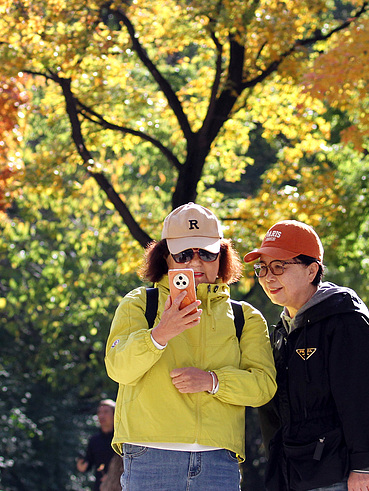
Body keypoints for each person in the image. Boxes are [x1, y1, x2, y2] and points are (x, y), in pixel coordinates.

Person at [105, 202, 277, 491]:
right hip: (150, 456)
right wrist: (159, 334)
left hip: (218, 461)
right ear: (165, 256)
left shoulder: (245, 317)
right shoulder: (138, 304)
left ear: (222, 256)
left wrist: (213, 381)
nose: (196, 263)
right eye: (184, 253)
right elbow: (118, 368)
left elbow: (264, 387)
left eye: (207, 253)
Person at [247, 220, 369, 491]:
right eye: (262, 268)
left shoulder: (345, 321)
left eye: (279, 266)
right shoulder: (281, 332)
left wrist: (364, 466)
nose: (268, 277)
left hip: (338, 475)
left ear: (311, 270)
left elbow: (367, 398)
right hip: (292, 474)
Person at [77, 399, 117, 491]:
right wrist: (82, 466)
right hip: (100, 487)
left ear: (115, 415)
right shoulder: (94, 440)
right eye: (99, 412)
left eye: (106, 412)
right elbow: (88, 463)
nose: (101, 416)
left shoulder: (121, 440)